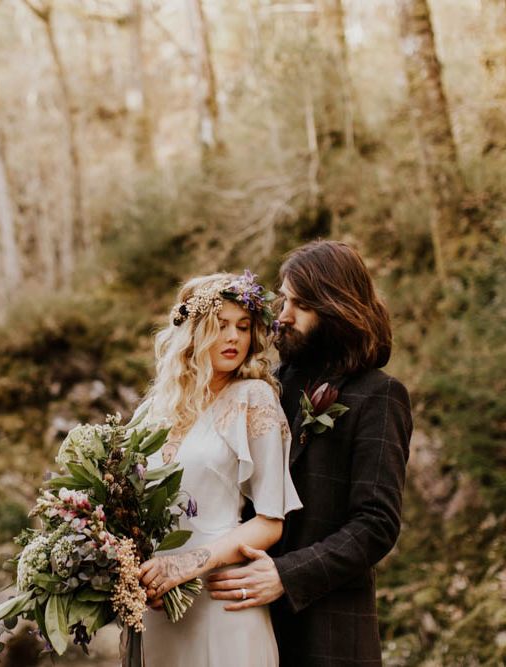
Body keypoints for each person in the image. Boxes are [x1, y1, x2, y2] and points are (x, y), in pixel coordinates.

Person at [206, 241, 413, 666]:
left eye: (300, 305)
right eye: (284, 298)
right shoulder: (271, 386)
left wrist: (286, 575)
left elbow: (376, 524)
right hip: (246, 623)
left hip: (330, 633)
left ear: (336, 308)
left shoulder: (380, 396)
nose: (283, 315)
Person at [134, 270, 302, 667]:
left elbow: (269, 521)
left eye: (243, 327)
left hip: (221, 599)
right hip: (158, 607)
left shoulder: (254, 398)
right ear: (192, 331)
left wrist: (186, 566)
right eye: (220, 325)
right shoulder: (152, 411)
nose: (233, 338)